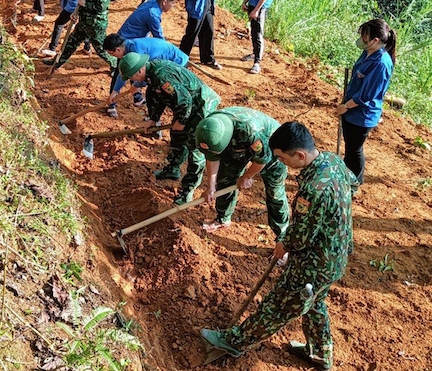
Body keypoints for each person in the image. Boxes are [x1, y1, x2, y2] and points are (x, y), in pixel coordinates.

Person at [201, 121, 357, 371]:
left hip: (314, 263)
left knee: (279, 304)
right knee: (314, 302)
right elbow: (354, 183)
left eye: (283, 158)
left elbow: (302, 237)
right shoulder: (333, 161)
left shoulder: (313, 188)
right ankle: (320, 354)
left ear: (300, 155)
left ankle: (235, 341)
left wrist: (283, 243)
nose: (282, 163)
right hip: (337, 257)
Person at [118, 52, 220, 203]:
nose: (131, 80)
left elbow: (185, 101)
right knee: (177, 136)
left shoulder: (162, 77)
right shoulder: (151, 76)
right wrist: (153, 119)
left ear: (139, 70)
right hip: (186, 106)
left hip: (201, 105)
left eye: (131, 76)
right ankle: (172, 169)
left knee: (194, 147)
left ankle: (188, 190)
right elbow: (158, 97)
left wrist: (182, 121)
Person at [195, 107, 290, 236]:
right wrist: (211, 186)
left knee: (274, 192)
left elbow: (262, 159)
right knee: (225, 179)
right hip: (238, 144)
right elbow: (212, 158)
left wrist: (247, 176)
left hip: (271, 145)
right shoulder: (210, 128)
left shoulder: (250, 131)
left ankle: (283, 236)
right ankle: (222, 219)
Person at [336, 18, 396, 184]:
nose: (361, 38)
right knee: (349, 147)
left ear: (375, 40)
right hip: (351, 110)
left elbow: (366, 95)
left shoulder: (382, 63)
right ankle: (346, 176)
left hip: (361, 115)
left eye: (364, 36)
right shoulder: (368, 52)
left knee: (354, 150)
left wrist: (345, 107)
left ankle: (354, 182)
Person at [43, 0, 116, 71]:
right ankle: (57, 62)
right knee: (70, 43)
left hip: (95, 24)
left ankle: (115, 65)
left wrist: (84, 4)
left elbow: (101, 7)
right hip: (84, 21)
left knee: (101, 50)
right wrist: (76, 13)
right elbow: (84, 0)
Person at [104, 34, 188, 118]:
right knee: (152, 91)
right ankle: (154, 119)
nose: (113, 57)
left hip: (176, 63)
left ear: (118, 50)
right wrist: (115, 91)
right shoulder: (127, 47)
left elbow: (143, 73)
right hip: (161, 63)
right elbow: (123, 72)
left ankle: (163, 121)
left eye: (112, 54)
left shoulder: (136, 50)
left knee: (160, 92)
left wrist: (137, 85)